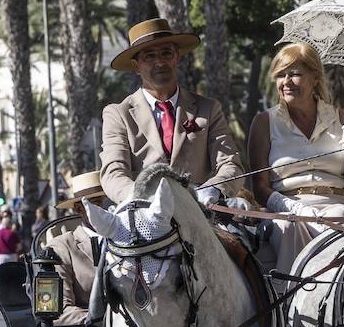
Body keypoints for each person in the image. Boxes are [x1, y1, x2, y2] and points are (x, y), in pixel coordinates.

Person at [246, 43, 344, 274]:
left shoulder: (343, 117)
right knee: (289, 225)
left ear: (314, 77)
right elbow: (259, 188)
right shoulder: (264, 122)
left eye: (294, 74)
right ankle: (290, 301)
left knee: (343, 217)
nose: (286, 82)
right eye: (281, 75)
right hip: (286, 209)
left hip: (335, 207)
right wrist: (291, 207)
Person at [100, 18, 245, 206]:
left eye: (166, 53)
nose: (159, 62)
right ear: (136, 66)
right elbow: (113, 172)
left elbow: (230, 164)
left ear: (177, 57)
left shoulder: (208, 109)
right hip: (146, 214)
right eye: (149, 56)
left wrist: (212, 190)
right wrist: (143, 198)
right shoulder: (118, 115)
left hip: (202, 212)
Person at [50, 172, 111, 326]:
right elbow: (59, 311)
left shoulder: (127, 241)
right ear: (79, 209)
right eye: (97, 203)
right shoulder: (62, 247)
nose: (106, 209)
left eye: (109, 201)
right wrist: (108, 321)